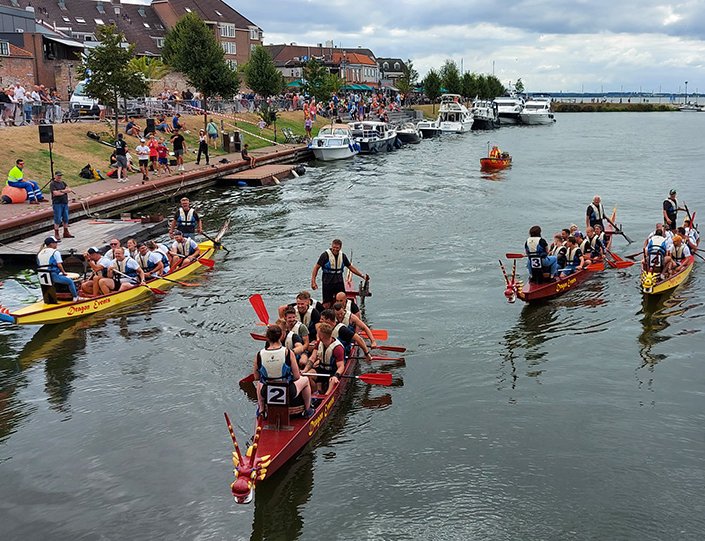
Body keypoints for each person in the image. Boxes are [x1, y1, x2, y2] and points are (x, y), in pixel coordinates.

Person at [254, 324, 313, 418]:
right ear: (281, 336)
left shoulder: (259, 354)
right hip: (288, 391)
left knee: (259, 383)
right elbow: (297, 376)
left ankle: (261, 410)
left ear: (267, 338)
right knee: (305, 380)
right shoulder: (288, 352)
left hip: (266, 391)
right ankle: (307, 409)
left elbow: (256, 377)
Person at [311, 239, 368, 308]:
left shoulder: (343, 256)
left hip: (339, 282)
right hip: (327, 282)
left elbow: (351, 268)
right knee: (327, 303)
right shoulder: (325, 255)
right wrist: (313, 281)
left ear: (340, 247)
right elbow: (316, 268)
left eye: (337, 248)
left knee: (342, 300)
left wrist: (362, 276)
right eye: (333, 247)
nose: (335, 249)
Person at [37, 236, 81, 302]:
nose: (56, 244)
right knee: (70, 282)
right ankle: (75, 297)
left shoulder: (39, 253)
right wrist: (64, 272)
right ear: (51, 244)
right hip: (52, 275)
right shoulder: (55, 252)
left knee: (47, 285)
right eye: (55, 243)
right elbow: (59, 265)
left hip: (41, 275)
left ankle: (45, 297)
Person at [306, 322, 346, 395]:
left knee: (332, 381)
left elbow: (341, 366)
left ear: (322, 336)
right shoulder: (319, 343)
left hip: (333, 371)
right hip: (321, 369)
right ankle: (315, 394)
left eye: (318, 333)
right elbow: (312, 357)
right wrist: (305, 370)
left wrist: (336, 376)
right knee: (308, 375)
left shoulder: (338, 348)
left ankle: (326, 397)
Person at [50, 171, 75, 238]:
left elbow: (69, 189)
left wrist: (61, 191)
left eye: (60, 175)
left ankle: (66, 232)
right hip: (57, 203)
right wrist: (64, 191)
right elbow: (56, 193)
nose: (59, 177)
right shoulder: (52, 184)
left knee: (66, 218)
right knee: (57, 218)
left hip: (64, 202)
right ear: (55, 176)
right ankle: (56, 232)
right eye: (58, 176)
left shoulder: (63, 182)